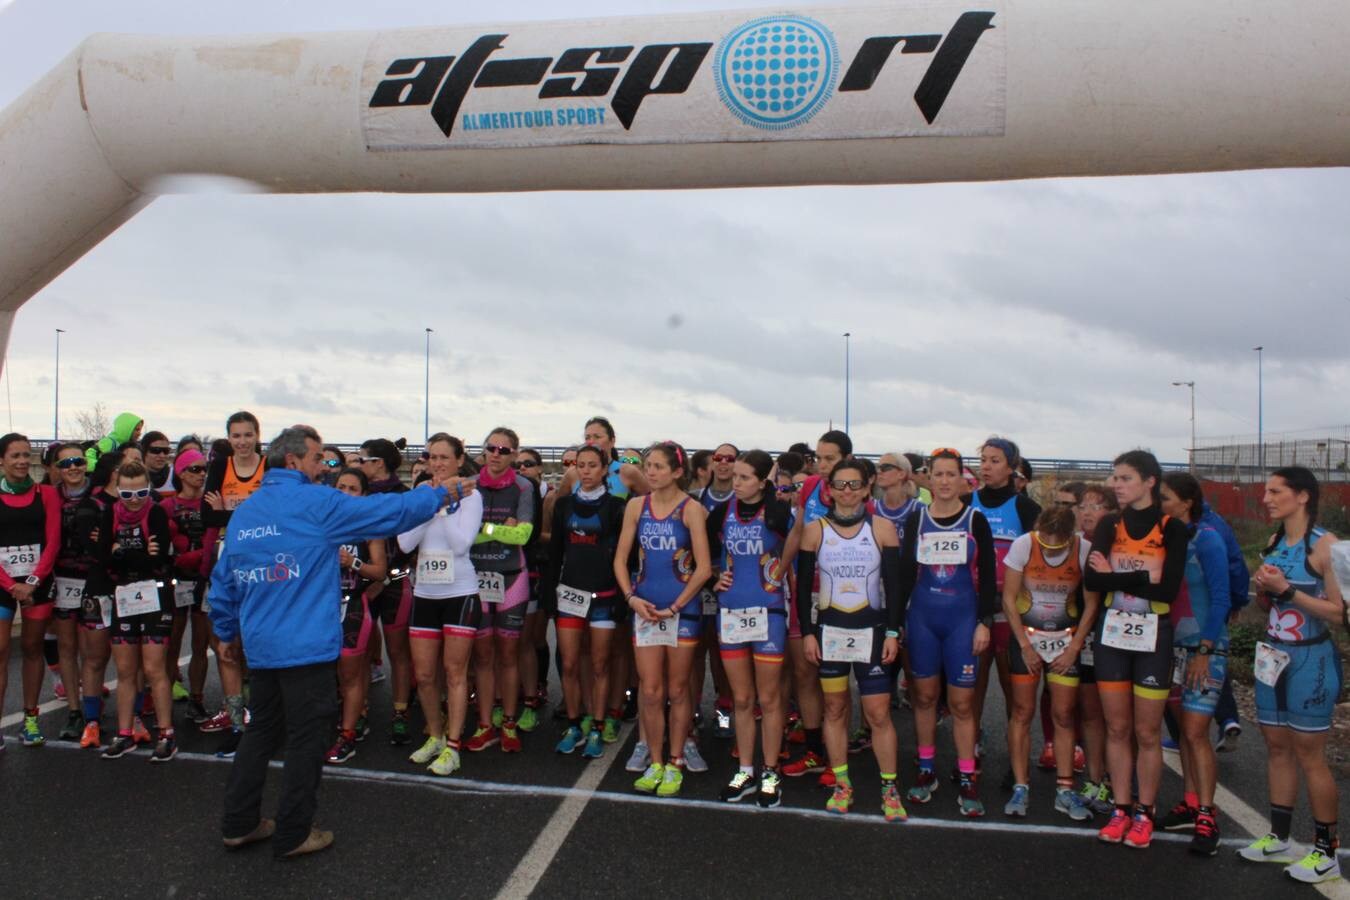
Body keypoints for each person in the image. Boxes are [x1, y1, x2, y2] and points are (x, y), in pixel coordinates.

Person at [210, 425, 455, 859]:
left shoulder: (246, 512)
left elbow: (223, 579)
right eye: (317, 457)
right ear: (293, 462)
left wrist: (227, 632)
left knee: (260, 732)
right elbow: (385, 513)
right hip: (305, 646)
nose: (324, 465)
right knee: (307, 738)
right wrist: (438, 495)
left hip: (262, 645)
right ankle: (293, 833)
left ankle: (238, 823)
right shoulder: (315, 502)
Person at [1239, 466, 1343, 884]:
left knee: (1310, 755)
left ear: (1302, 496)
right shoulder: (1274, 541)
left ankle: (1326, 851)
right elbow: (1273, 605)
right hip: (1272, 658)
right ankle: (1280, 837)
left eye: (1275, 491)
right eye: (1266, 491)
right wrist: (1267, 594)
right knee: (1276, 746)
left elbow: (1340, 614)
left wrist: (1287, 591)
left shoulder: (1327, 547)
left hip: (1310, 660)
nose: (1266, 498)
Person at [1086, 450, 1188, 850]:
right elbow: (1094, 582)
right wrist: (1143, 574)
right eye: (1114, 478)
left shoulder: (1172, 529)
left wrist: (1118, 576)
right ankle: (1121, 808)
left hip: (1154, 637)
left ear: (1149, 482)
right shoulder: (1111, 524)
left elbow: (1168, 590)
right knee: (1117, 728)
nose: (1116, 485)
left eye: (1124, 478)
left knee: (1147, 731)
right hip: (1112, 635)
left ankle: (1145, 812)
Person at [795, 457, 905, 820]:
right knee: (835, 709)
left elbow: (894, 586)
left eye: (854, 484)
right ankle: (843, 785)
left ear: (866, 487)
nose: (847, 491)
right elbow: (802, 589)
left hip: (871, 631)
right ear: (829, 490)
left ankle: (890, 789)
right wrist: (808, 633)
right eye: (840, 484)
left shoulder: (883, 529)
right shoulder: (814, 530)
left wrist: (892, 631)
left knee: (877, 714)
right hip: (830, 632)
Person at [899, 448, 997, 817]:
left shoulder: (975, 520)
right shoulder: (917, 518)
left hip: (962, 620)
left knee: (960, 704)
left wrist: (984, 621)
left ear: (961, 480)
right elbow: (906, 576)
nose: (942, 481)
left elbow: (987, 575)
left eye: (949, 475)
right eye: (936, 474)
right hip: (924, 618)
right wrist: (896, 625)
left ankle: (968, 774)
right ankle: (926, 769)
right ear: (928, 477)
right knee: (923, 699)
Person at [614, 441, 711, 798]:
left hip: (681, 611)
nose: (650, 472)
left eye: (657, 466)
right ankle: (655, 762)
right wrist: (631, 598)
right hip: (645, 608)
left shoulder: (692, 509)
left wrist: (675, 607)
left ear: (677, 471)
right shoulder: (637, 507)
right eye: (647, 465)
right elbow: (620, 560)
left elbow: (702, 570)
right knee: (651, 690)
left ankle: (675, 761)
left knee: (678, 688)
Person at [708, 449, 798, 807]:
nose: (737, 482)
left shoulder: (777, 511)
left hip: (769, 614)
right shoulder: (720, 512)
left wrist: (782, 567)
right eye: (736, 476)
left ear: (763, 481)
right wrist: (715, 575)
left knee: (770, 698)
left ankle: (771, 770)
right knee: (742, 699)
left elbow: (798, 539)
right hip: (730, 612)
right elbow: (702, 551)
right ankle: (745, 769)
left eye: (745, 477)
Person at [1001, 504, 1099, 821]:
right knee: (1022, 711)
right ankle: (1020, 786)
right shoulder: (1024, 544)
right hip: (1027, 637)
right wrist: (1024, 645)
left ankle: (1065, 788)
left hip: (1064, 640)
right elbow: (1009, 599)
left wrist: (1074, 648)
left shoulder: (1083, 547)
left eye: (1058, 541)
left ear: (1071, 536)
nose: (1050, 545)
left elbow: (1091, 604)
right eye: (1046, 539)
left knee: (1063, 714)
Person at [398, 433, 483, 778]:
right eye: (432, 457)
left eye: (444, 457)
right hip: (426, 594)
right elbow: (405, 544)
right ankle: (434, 734)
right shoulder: (420, 495)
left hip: (460, 592)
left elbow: (461, 545)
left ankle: (453, 744)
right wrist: (429, 503)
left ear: (460, 460)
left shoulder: (472, 496)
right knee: (424, 674)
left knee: (454, 672)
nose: (437, 463)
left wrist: (444, 509)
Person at [1156, 473, 1232, 856]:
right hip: (1170, 647)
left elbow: (1221, 597)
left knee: (1198, 731)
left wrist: (1205, 649)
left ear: (1186, 502)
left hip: (1205, 648)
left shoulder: (1207, 539)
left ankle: (1207, 813)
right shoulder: (1166, 537)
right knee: (1183, 730)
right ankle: (1189, 799)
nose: (1159, 503)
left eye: (1165, 498)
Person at [543, 444, 629, 758]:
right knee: (568, 663)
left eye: (593, 465)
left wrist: (622, 597)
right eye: (581, 465)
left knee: (599, 664)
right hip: (569, 596)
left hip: (604, 596)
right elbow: (554, 556)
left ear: (605, 469)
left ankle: (597, 725)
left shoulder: (617, 507)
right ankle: (574, 723)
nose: (587, 471)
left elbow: (624, 558)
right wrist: (548, 594)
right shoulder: (563, 505)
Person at [781, 430, 854, 787]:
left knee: (835, 682)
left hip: (842, 597)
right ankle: (814, 750)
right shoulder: (809, 487)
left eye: (830, 459)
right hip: (804, 590)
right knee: (804, 673)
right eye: (820, 458)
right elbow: (797, 532)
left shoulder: (855, 493)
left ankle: (836, 757)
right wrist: (780, 573)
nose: (822, 465)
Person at [968, 437, 1040, 785]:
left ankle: (1017, 760)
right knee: (973, 686)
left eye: (995, 460)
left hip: (1013, 612)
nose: (986, 466)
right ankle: (972, 747)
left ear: (1012, 467)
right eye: (983, 459)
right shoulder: (969, 503)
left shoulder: (1025, 508)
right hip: (976, 609)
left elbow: (1039, 563)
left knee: (1015, 691)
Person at [97, 461, 177, 762]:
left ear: (150, 489)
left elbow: (157, 560)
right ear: (117, 490)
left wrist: (121, 552)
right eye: (127, 494)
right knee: (126, 670)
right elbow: (102, 556)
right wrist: (130, 553)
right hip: (124, 595)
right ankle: (125, 733)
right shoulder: (110, 514)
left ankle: (166, 733)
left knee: (155, 668)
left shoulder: (156, 512)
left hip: (155, 593)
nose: (134, 500)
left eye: (142, 492)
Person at [201, 411, 266, 757]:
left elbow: (274, 515)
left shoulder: (268, 467)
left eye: (247, 435)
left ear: (258, 435)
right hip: (227, 563)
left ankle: (263, 721)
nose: (242, 442)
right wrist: (247, 514)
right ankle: (238, 723)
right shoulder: (220, 466)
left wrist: (229, 512)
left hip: (263, 565)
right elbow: (207, 516)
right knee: (225, 648)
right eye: (236, 436)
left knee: (257, 648)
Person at [466, 427, 535, 754]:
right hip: (475, 577)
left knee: (508, 655)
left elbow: (522, 535)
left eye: (504, 450)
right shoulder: (469, 485)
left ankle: (508, 722)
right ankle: (484, 724)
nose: (497, 453)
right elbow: (464, 536)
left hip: (511, 576)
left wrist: (484, 529)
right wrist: (497, 530)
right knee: (482, 656)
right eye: (492, 447)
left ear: (514, 455)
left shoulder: (524, 486)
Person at [0, 433, 63, 749]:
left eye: (27, 455)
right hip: (3, 584)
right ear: (2, 461)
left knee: (32, 647)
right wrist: (11, 584)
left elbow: (53, 540)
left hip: (38, 582)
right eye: (15, 456)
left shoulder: (47, 493)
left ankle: (30, 718)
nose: (23, 461)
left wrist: (33, 582)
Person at [325, 467, 388, 765]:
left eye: (353, 488)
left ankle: (348, 734)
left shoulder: (369, 526)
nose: (346, 493)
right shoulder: (320, 522)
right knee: (324, 672)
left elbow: (380, 571)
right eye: (341, 487)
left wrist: (354, 561)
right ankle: (331, 725)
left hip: (352, 605)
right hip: (320, 606)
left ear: (363, 495)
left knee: (351, 673)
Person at [359, 438, 416, 745]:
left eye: (362, 460)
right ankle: (360, 711)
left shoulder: (404, 497)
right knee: (363, 652)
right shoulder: (359, 492)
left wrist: (386, 576)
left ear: (378, 463)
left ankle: (400, 713)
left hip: (395, 582)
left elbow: (410, 544)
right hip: (362, 582)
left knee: (398, 652)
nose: (358, 465)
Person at [1072, 482, 1118, 814]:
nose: (1087, 513)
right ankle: (1095, 777)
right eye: (1083, 506)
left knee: (1118, 716)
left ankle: (1120, 781)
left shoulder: (1120, 544)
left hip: (1118, 636)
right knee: (1089, 712)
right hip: (1083, 637)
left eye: (1096, 506)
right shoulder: (1071, 545)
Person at [48, 442, 97, 740]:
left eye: (78, 461)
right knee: (66, 647)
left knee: (93, 651)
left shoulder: (101, 495)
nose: (73, 468)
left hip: (95, 580)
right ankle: (75, 712)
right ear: (56, 468)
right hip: (62, 581)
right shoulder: (50, 498)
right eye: (66, 464)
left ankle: (92, 711)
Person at [162, 448, 211, 719]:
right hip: (176, 580)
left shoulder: (210, 502)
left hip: (203, 578)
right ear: (180, 473)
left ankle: (197, 698)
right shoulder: (167, 506)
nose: (201, 474)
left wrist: (202, 555)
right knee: (173, 642)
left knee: (200, 644)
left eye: (204, 469)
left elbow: (218, 539)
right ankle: (164, 696)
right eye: (195, 469)